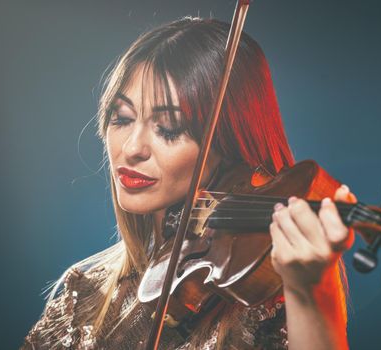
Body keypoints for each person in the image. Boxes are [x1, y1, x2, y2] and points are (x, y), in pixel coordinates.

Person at [22, 17, 357, 350]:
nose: (131, 148)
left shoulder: (268, 307)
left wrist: (311, 294)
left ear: (229, 146)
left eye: (169, 128)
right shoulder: (81, 298)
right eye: (121, 118)